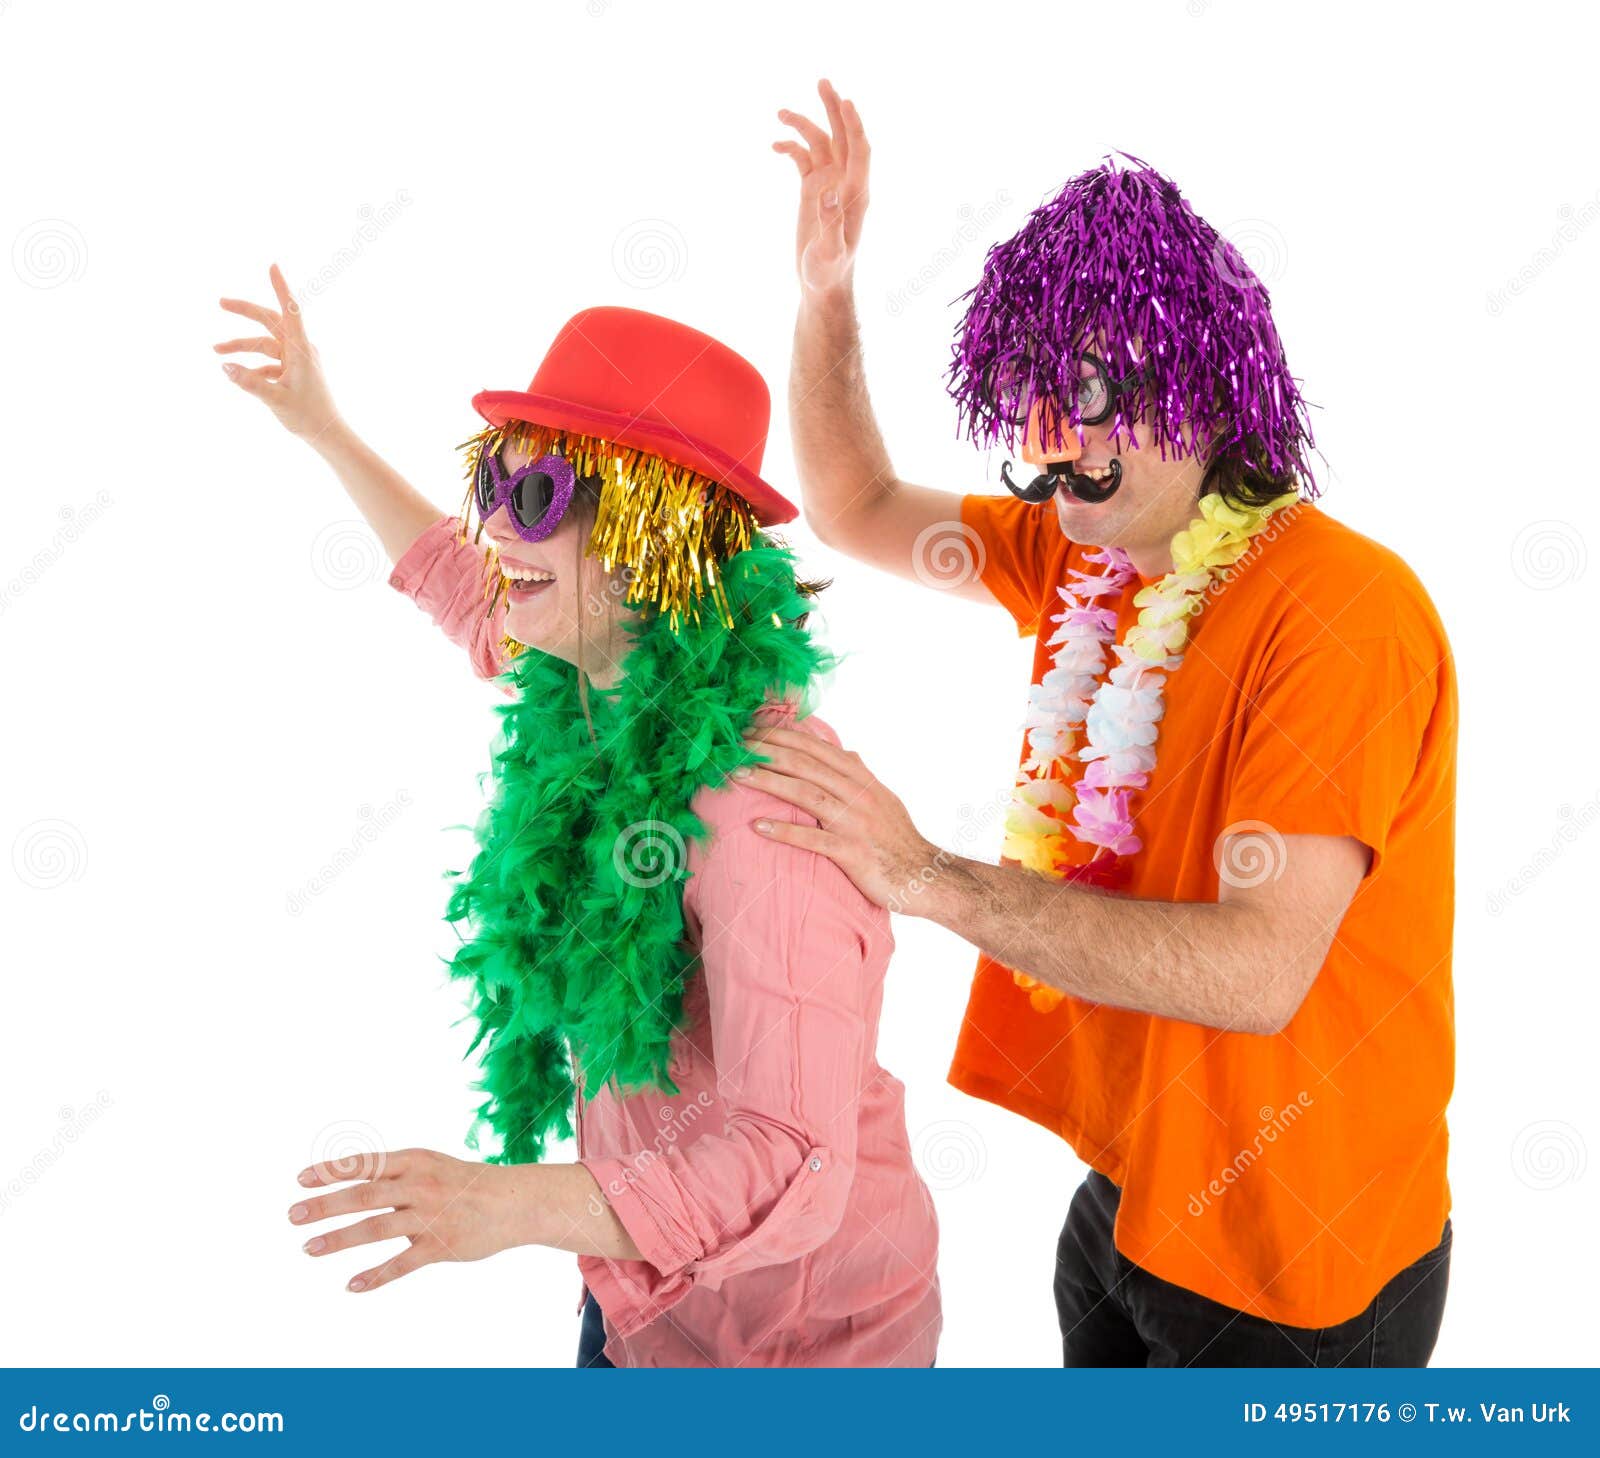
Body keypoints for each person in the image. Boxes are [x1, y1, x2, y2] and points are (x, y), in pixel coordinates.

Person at [756, 82, 1456, 1367]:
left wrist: (922, 876)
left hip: (1299, 1266)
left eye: (1091, 395)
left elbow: (1257, 974)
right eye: (1031, 394)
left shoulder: (1343, 613)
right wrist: (826, 297)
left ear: (1202, 390)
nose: (1054, 439)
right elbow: (853, 503)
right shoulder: (1083, 552)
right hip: (1129, 1198)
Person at [215, 280, 940, 1367]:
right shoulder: (594, 679)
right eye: (494, 479)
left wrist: (505, 1208)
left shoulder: (761, 812)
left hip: (797, 1346)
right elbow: (462, 587)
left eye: (544, 492)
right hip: (639, 1286)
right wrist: (323, 426)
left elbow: (790, 1160)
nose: (500, 524)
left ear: (662, 534)